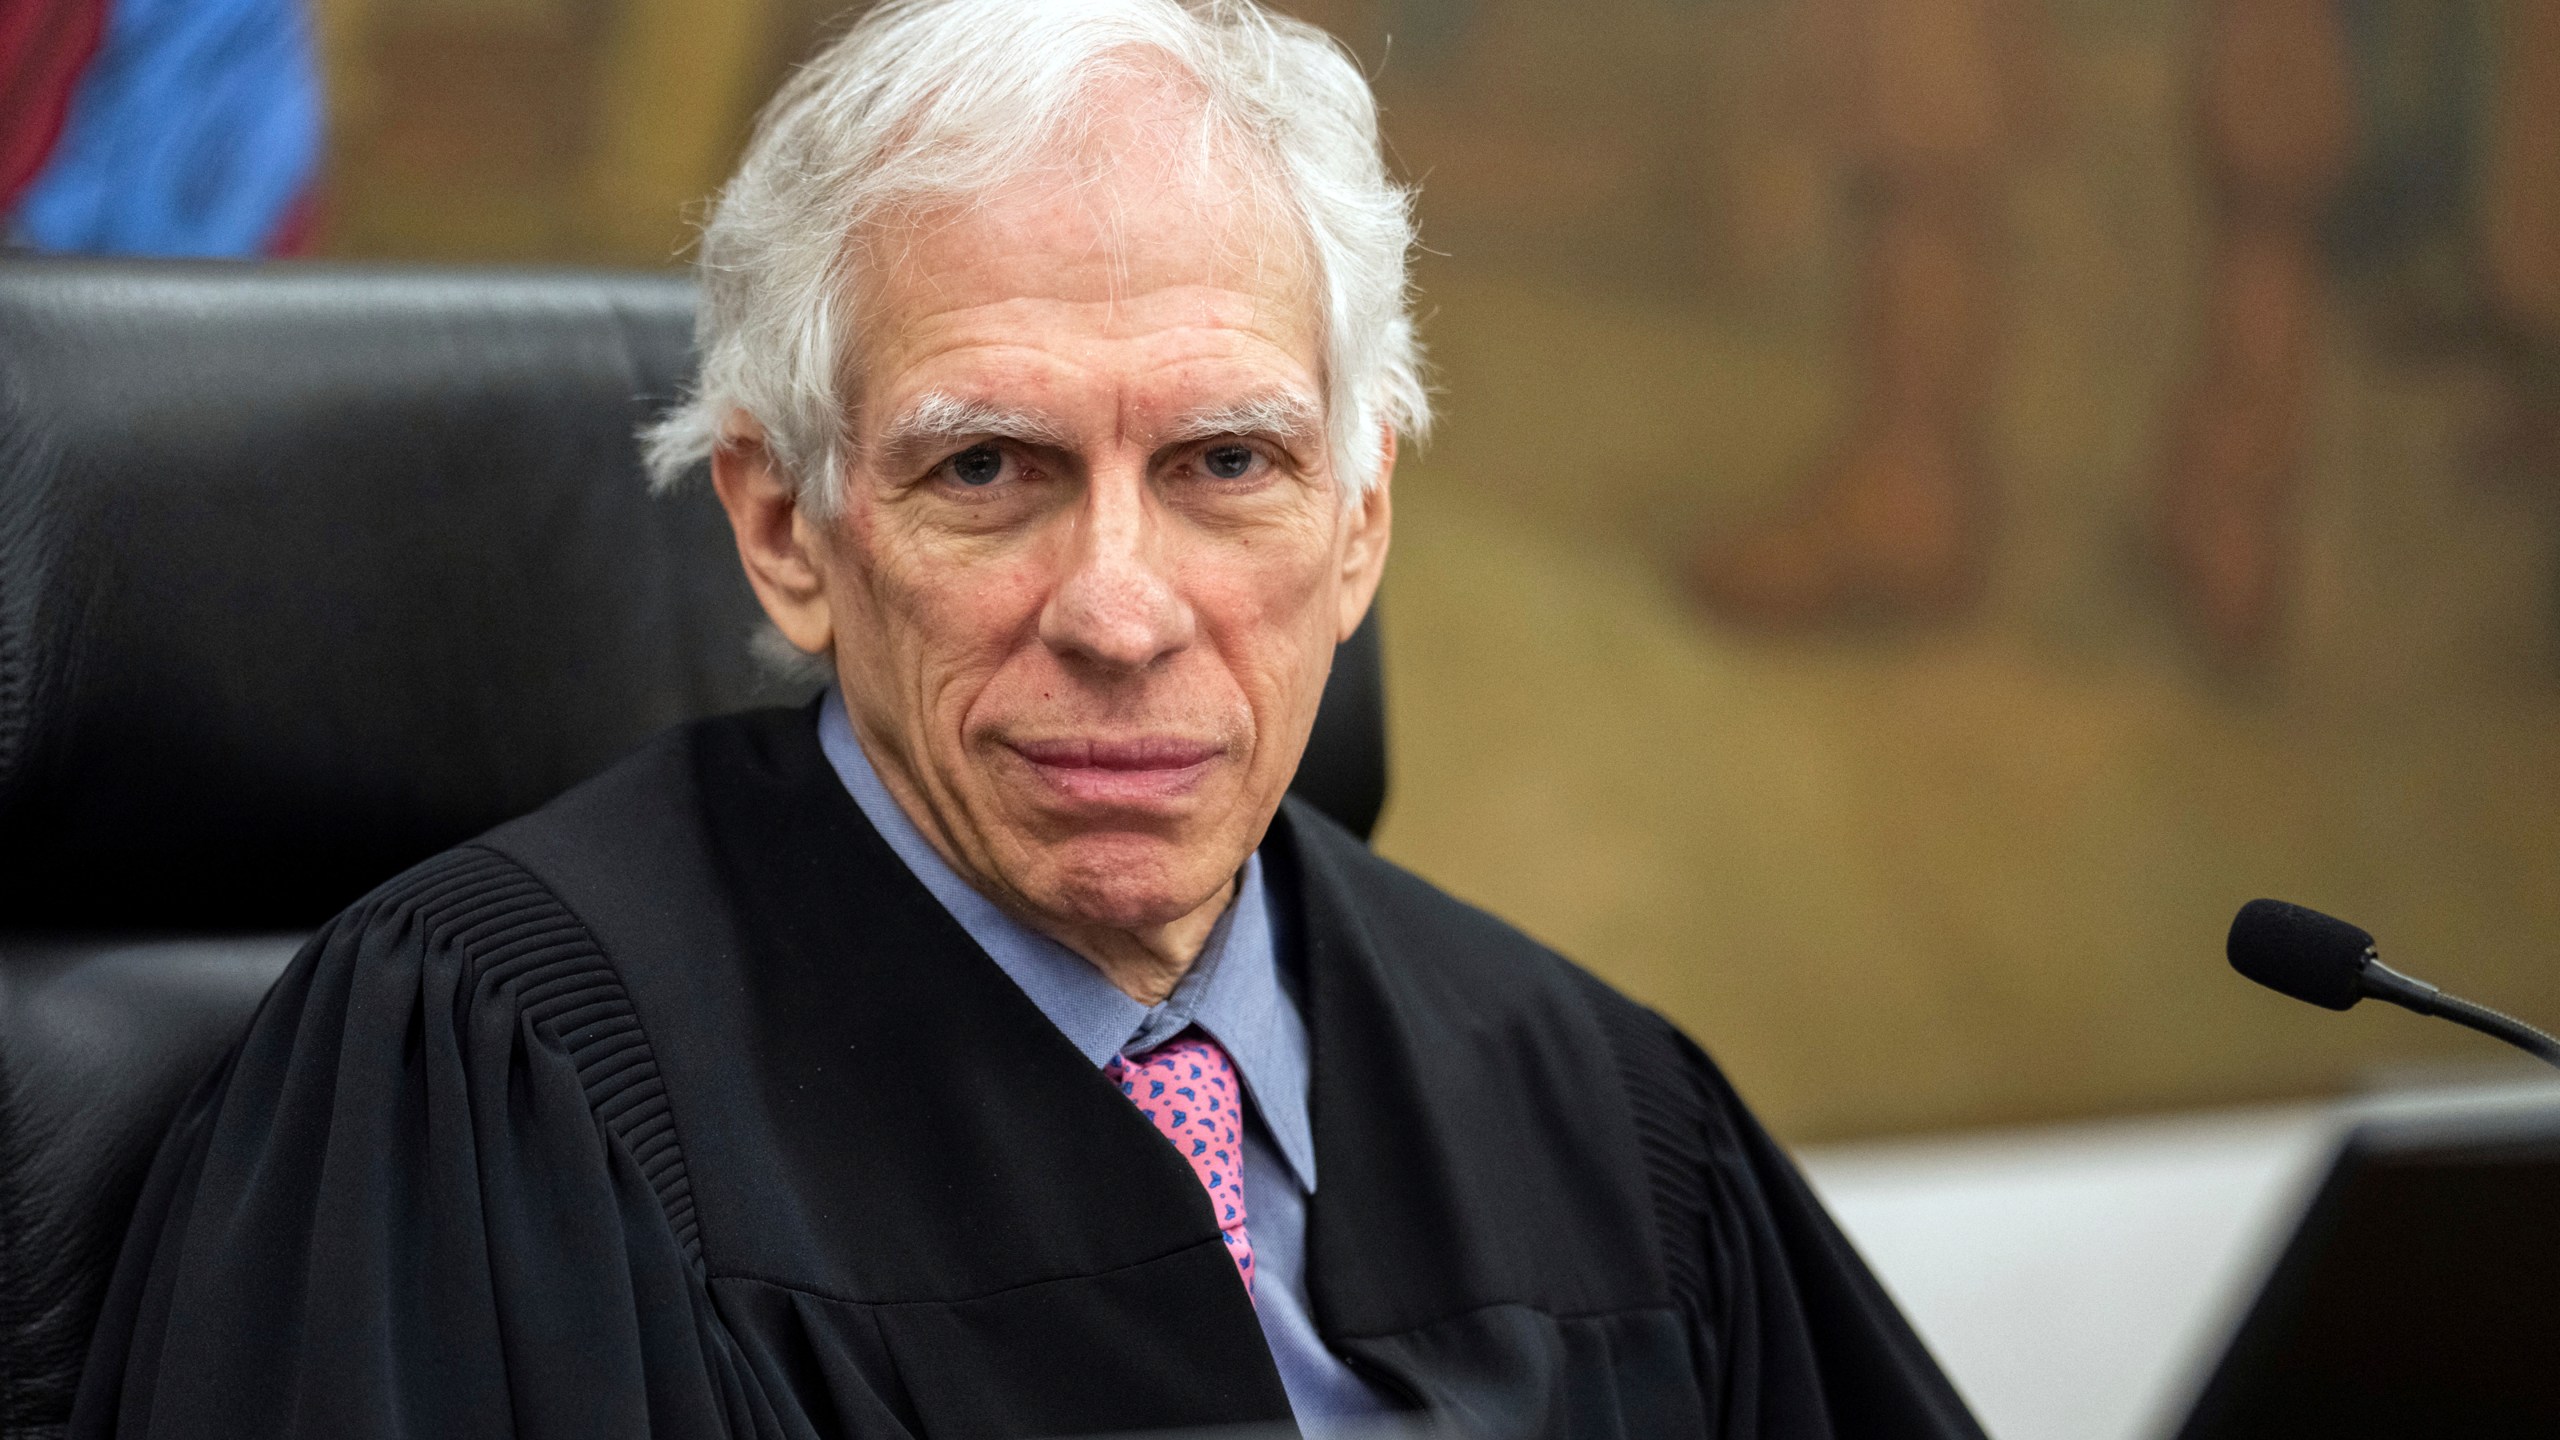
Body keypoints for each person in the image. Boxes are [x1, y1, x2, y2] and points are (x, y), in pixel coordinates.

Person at [71, 2, 1984, 1436]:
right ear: (782, 528)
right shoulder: (480, 1096)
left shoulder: (1606, 1122)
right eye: (987, 467)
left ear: (1362, 519)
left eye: (1231, 459)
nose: (1124, 611)